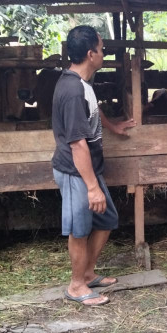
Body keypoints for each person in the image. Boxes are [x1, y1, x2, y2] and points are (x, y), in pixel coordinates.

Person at [51, 25, 136, 306]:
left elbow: (93, 110)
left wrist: (113, 126)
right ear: (91, 54)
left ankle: (87, 273)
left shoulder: (82, 83)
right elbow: (77, 144)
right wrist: (92, 187)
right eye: (102, 49)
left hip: (88, 170)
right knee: (80, 229)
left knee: (107, 219)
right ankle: (76, 287)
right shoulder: (72, 90)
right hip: (77, 172)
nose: (104, 54)